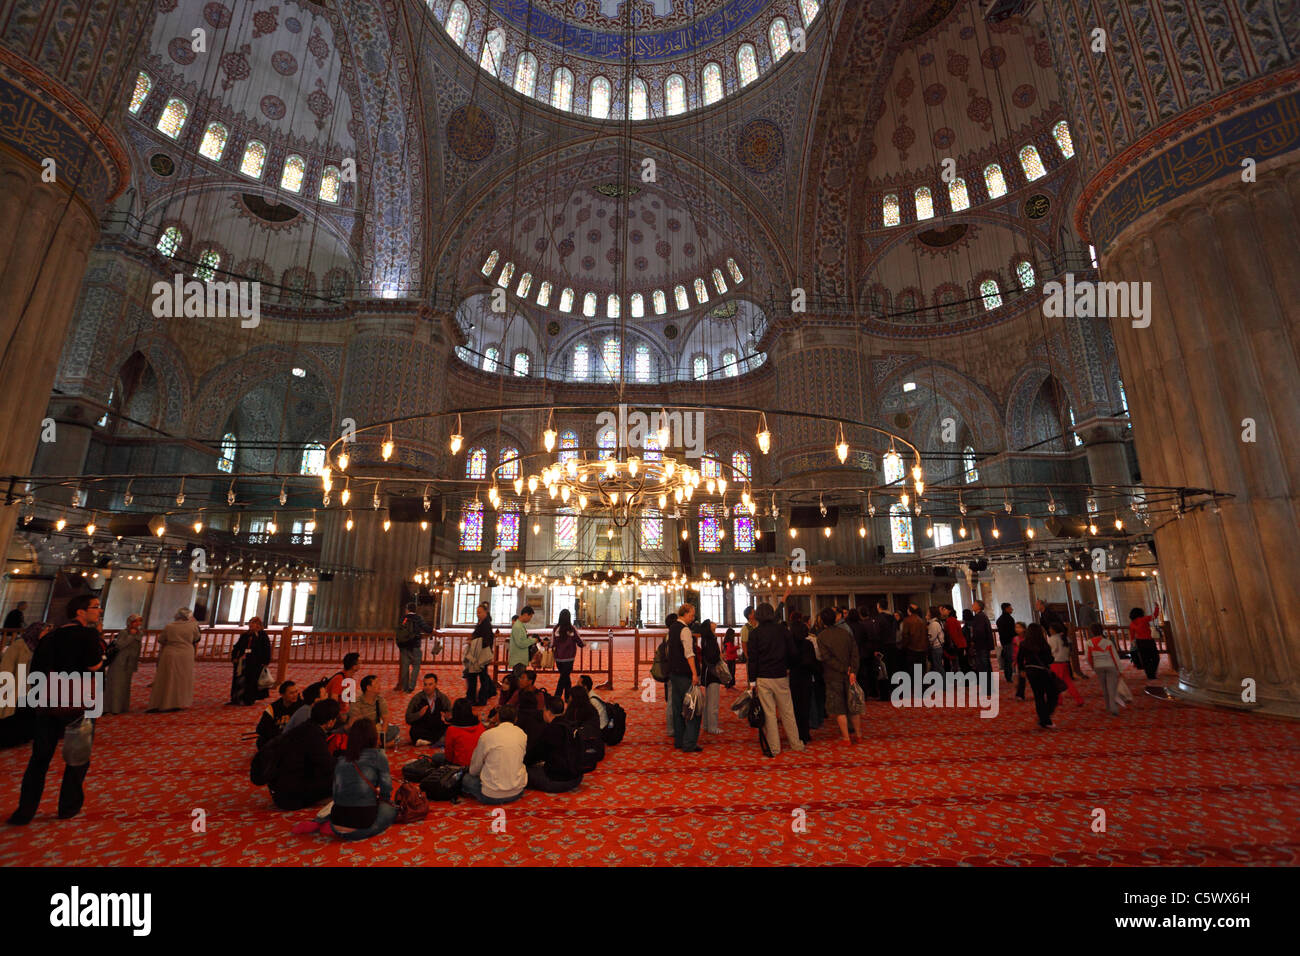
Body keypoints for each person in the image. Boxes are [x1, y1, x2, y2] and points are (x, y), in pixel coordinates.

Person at [7, 595, 104, 825]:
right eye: (96, 607)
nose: (99, 611)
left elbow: (36, 671)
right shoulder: (88, 635)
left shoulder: (50, 636)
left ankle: (25, 810)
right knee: (77, 757)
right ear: (80, 612)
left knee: (39, 759)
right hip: (79, 702)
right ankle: (68, 807)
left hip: (49, 701)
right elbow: (94, 666)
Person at [294, 718, 396, 840]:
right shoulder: (378, 755)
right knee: (390, 810)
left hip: (337, 822)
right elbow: (386, 789)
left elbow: (336, 794)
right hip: (362, 823)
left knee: (344, 801)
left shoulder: (342, 759)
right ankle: (351, 830)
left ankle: (321, 822)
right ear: (373, 736)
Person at [748, 603, 805, 756]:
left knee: (769, 713)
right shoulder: (783, 630)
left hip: (763, 677)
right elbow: (793, 653)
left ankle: (774, 747)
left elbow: (752, 660)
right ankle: (796, 743)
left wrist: (752, 681)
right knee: (787, 711)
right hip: (781, 675)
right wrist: (788, 667)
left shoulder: (755, 634)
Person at [269, 698, 340, 810]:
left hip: (280, 790)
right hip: (291, 797)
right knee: (342, 776)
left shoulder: (304, 728)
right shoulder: (314, 735)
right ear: (330, 721)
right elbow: (327, 766)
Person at [463, 704, 527, 804]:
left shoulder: (487, 735)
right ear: (516, 718)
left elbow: (474, 769)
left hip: (491, 795)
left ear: (498, 717)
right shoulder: (522, 734)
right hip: (517, 791)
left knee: (466, 778)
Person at [0, 621, 51, 747]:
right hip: (16, 683)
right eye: (44, 631)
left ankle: (23, 736)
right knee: (13, 713)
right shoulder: (20, 645)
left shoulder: (42, 647)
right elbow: (7, 665)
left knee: (27, 712)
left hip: (32, 685)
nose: (46, 634)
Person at [817, 606, 861, 744]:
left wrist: (843, 669)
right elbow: (855, 654)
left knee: (839, 708)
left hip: (833, 676)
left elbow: (827, 658)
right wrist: (852, 670)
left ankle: (846, 738)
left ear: (823, 621)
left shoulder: (822, 636)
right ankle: (859, 735)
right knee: (853, 706)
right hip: (850, 675)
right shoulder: (846, 633)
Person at [525, 696, 584, 793]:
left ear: (548, 712)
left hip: (558, 780)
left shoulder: (551, 730)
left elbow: (534, 755)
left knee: (523, 772)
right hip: (577, 777)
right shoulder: (571, 725)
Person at [147, 608, 200, 712]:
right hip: (186, 654)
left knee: (167, 677)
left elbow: (161, 639)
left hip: (170, 653)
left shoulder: (170, 626)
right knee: (182, 679)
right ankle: (179, 702)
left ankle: (164, 702)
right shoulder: (192, 626)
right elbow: (196, 638)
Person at [666, 604, 703, 753]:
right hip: (685, 675)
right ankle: (689, 743)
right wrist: (694, 674)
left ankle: (679, 741)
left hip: (673, 675)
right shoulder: (685, 630)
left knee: (677, 709)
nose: (693, 618)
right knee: (693, 709)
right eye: (692, 615)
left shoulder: (672, 628)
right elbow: (689, 653)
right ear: (685, 614)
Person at [1017, 623, 1058, 729]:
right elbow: (1049, 659)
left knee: (1038, 696)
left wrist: (1021, 669)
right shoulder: (1043, 644)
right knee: (1052, 694)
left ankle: (1044, 718)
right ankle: (1045, 717)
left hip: (1030, 671)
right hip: (1043, 671)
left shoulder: (1024, 644)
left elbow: (1019, 658)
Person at [103, 614, 143, 715]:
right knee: (116, 684)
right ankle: (112, 708)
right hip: (120, 662)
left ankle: (122, 707)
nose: (138, 624)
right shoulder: (124, 632)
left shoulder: (139, 633)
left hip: (130, 662)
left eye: (139, 621)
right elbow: (120, 645)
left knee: (125, 685)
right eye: (136, 621)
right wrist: (131, 636)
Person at [230, 616, 272, 706]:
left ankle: (248, 699)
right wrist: (234, 657)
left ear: (258, 625)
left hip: (254, 662)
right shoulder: (245, 635)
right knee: (239, 679)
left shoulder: (262, 636)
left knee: (251, 681)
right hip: (243, 660)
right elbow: (237, 646)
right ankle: (236, 698)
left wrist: (265, 662)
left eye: (253, 623)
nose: (251, 625)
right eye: (250, 623)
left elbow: (266, 649)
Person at [787, 611, 815, 744]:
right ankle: (805, 733)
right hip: (807, 678)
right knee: (806, 706)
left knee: (795, 707)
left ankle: (796, 732)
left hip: (794, 678)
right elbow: (813, 663)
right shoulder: (808, 645)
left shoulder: (790, 646)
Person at [1085, 623, 1124, 715]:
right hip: (1110, 666)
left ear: (1091, 632)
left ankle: (1108, 707)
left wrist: (1093, 667)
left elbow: (1088, 658)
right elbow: (1115, 657)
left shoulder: (1089, 643)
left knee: (1104, 688)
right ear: (1102, 631)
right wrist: (1120, 670)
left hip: (1098, 667)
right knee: (1112, 688)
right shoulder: (1108, 642)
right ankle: (1114, 709)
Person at [348, 675, 399, 745]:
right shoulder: (357, 702)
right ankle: (381, 744)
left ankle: (375, 743)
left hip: (375, 728)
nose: (380, 686)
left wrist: (381, 736)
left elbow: (386, 718)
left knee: (395, 729)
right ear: (368, 688)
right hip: (362, 729)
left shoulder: (380, 700)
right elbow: (355, 723)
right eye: (376, 683)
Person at [405, 672, 451, 745]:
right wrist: (419, 714)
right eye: (425, 684)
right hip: (422, 727)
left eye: (430, 684)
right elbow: (408, 718)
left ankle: (428, 741)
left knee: (450, 729)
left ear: (436, 684)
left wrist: (447, 717)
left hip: (437, 727)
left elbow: (450, 715)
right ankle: (435, 741)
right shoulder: (417, 698)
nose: (427, 687)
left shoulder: (442, 698)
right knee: (413, 731)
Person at [463, 602, 496, 705]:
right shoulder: (481, 623)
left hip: (481, 655)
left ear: (486, 613)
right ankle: (475, 696)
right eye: (477, 613)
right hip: (478, 653)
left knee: (479, 676)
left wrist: (472, 641)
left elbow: (485, 641)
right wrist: (472, 638)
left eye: (480, 612)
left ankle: (480, 698)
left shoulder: (486, 625)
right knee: (479, 676)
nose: (478, 614)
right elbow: (478, 636)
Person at [256, 681, 303, 749]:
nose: (295, 695)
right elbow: (261, 729)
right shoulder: (273, 708)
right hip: (278, 737)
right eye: (291, 693)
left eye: (296, 692)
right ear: (282, 695)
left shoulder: (302, 705)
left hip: (294, 737)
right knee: (261, 741)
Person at [395, 602, 430, 693]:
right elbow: (426, 629)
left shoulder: (403, 618)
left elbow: (398, 630)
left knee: (405, 667)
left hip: (404, 646)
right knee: (416, 666)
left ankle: (405, 687)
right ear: (415, 609)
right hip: (415, 646)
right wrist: (432, 630)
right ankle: (411, 686)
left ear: (407, 609)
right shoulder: (418, 618)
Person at [698, 619, 726, 735]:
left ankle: (706, 725)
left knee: (708, 701)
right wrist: (720, 657)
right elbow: (712, 657)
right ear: (709, 627)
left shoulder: (706, 639)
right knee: (713, 702)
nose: (714, 623)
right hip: (713, 673)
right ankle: (712, 727)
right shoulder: (711, 640)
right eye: (712, 622)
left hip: (707, 672)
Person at [1047, 622, 1084, 706]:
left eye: (1050, 629)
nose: (1049, 630)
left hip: (1056, 663)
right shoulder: (1065, 638)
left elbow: (1053, 650)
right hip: (1065, 662)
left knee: (1055, 683)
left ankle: (1058, 700)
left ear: (1053, 630)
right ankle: (1079, 699)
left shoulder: (1053, 638)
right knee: (1068, 682)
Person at [551, 608, 583, 701]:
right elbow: (579, 640)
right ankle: (557, 696)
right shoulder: (572, 628)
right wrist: (583, 644)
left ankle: (567, 696)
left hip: (558, 657)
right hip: (569, 657)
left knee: (565, 676)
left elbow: (552, 643)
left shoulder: (556, 628)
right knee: (564, 677)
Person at [443, 698, 486, 766]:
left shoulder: (452, 730)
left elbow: (449, 754)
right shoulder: (480, 726)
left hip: (460, 765)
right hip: (479, 765)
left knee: (436, 757)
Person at [1130, 604, 1161, 680]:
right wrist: (1157, 607)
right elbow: (1155, 616)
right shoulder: (1144, 619)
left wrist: (1133, 645)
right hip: (1149, 641)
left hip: (1140, 642)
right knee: (1155, 658)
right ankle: (1152, 673)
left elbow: (1132, 636)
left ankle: (1149, 675)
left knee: (1145, 659)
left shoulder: (1132, 624)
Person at [325, 652, 361, 719]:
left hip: (343, 712)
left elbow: (352, 701)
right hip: (333, 714)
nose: (361, 664)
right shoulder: (339, 679)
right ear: (353, 666)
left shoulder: (350, 679)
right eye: (359, 663)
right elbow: (333, 702)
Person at [968, 600, 995, 676]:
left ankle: (986, 685)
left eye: (974, 604)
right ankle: (988, 685)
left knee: (983, 666)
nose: (972, 605)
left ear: (979, 606)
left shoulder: (979, 616)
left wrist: (973, 641)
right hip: (983, 644)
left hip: (982, 645)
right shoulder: (980, 615)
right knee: (985, 665)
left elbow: (979, 631)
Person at [508, 605, 538, 670]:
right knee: (519, 678)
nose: (530, 619)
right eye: (530, 617)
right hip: (518, 659)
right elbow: (520, 643)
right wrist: (533, 640)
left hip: (520, 658)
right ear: (525, 614)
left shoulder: (520, 625)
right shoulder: (518, 626)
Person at [900, 604, 928, 673]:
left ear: (909, 611)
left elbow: (905, 636)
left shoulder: (907, 620)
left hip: (912, 649)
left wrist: (903, 647)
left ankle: (915, 683)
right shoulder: (922, 620)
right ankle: (920, 683)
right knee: (921, 670)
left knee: (912, 671)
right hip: (922, 649)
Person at [941, 605, 967, 671]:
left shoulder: (950, 620)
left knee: (958, 663)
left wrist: (954, 645)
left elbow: (953, 634)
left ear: (949, 611)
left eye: (944, 609)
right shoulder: (952, 619)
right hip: (959, 644)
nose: (942, 611)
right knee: (960, 663)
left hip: (957, 644)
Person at [996, 603, 1017, 684]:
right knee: (1009, 659)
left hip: (1004, 641)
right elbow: (1011, 632)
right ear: (1006, 609)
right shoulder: (1009, 619)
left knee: (1007, 659)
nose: (1012, 609)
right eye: (1010, 607)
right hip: (1009, 641)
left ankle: (1008, 675)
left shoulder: (999, 619)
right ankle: (1009, 676)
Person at [926, 607, 945, 673]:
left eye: (928, 612)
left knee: (938, 667)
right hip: (938, 647)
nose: (927, 613)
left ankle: (943, 682)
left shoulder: (934, 624)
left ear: (931, 613)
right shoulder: (937, 621)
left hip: (936, 647)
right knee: (938, 667)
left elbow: (931, 638)